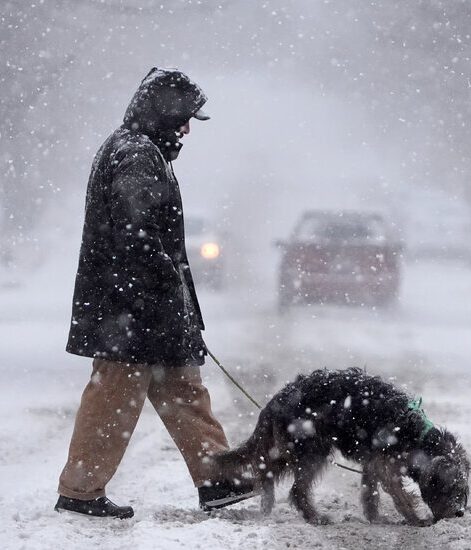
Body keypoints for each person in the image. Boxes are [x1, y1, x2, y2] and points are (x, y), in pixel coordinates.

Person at [55, 68, 254, 519]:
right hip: (130, 309)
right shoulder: (135, 155)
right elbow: (136, 234)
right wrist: (165, 289)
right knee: (113, 399)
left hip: (145, 307)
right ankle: (80, 492)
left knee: (183, 390)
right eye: (183, 118)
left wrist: (176, 305)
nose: (186, 129)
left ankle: (217, 479)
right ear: (161, 113)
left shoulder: (141, 151)